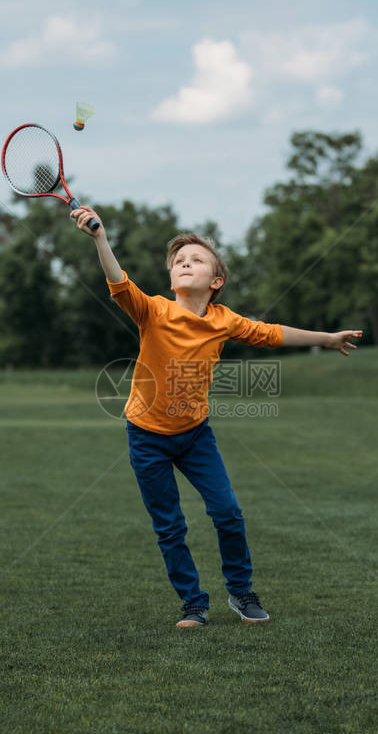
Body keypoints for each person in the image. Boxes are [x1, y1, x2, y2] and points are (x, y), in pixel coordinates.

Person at [72, 205, 362, 629]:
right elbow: (119, 283)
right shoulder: (152, 310)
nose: (185, 263)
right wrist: (100, 238)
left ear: (216, 281)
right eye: (178, 262)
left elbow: (275, 333)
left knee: (227, 512)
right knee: (170, 527)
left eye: (196, 259)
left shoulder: (225, 321)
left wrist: (328, 338)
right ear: (172, 279)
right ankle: (194, 604)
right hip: (146, 436)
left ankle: (242, 594)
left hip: (194, 436)